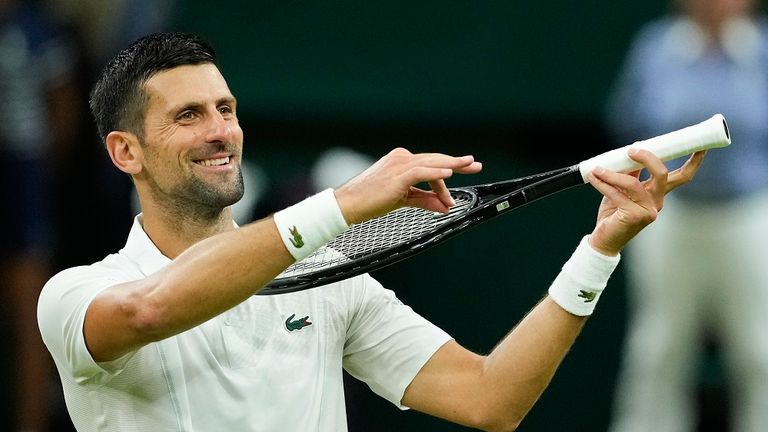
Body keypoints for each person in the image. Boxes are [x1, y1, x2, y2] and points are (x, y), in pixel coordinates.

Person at [37, 31, 705, 431]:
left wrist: (599, 251)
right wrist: (340, 205)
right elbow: (151, 310)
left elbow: (490, 398)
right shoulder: (76, 296)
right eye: (188, 115)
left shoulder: (330, 282)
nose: (220, 131)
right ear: (125, 151)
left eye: (226, 108)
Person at [604, 0, 768, 431]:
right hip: (668, 218)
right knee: (659, 347)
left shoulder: (763, 51)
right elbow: (628, 124)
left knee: (760, 348)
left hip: (751, 216)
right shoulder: (655, 47)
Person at [0, 0, 81, 430]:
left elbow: (64, 104)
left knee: (29, 311)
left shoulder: (36, 29)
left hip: (22, 175)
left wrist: (41, 171)